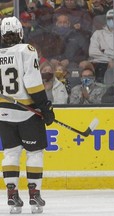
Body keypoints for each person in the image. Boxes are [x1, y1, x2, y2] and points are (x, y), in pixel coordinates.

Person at [0, 16, 55, 214]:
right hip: (26, 113)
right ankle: (34, 195)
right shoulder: (27, 50)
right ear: (20, 33)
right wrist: (44, 107)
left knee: (11, 153)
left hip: (3, 113)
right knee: (34, 153)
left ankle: (12, 195)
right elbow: (32, 82)